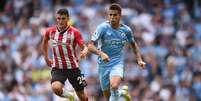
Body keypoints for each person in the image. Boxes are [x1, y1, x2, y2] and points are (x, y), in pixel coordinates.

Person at [88, 3, 146, 101]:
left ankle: (119, 92)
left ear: (120, 15)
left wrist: (139, 59)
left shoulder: (126, 30)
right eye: (110, 15)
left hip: (117, 63)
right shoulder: (102, 28)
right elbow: (90, 46)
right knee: (108, 97)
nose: (112, 17)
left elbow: (133, 45)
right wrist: (101, 54)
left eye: (115, 15)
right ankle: (122, 93)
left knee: (114, 85)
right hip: (103, 65)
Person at [42, 8, 88, 101]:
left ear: (68, 19)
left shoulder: (75, 32)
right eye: (58, 18)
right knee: (56, 88)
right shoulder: (50, 31)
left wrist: (84, 51)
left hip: (74, 68)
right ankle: (71, 97)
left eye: (63, 18)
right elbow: (45, 42)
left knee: (82, 96)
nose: (61, 21)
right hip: (58, 68)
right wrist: (46, 57)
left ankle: (77, 97)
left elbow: (84, 46)